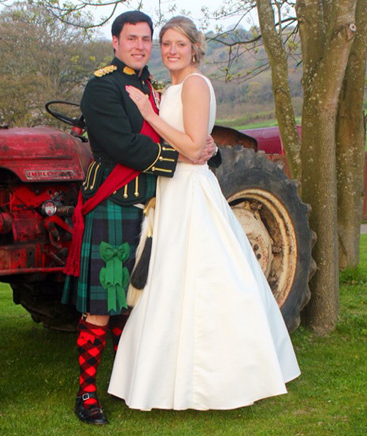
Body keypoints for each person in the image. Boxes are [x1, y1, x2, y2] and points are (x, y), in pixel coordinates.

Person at [108, 15, 300, 411]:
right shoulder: (172, 88)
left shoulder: (194, 85)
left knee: (202, 280)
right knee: (168, 283)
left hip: (190, 188)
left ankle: (222, 379)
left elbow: (195, 149)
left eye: (180, 43)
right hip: (170, 187)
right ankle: (165, 381)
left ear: (195, 48)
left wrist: (149, 114)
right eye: (166, 44)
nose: (172, 50)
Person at [61, 11, 219, 425]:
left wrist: (202, 145)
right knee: (104, 301)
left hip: (156, 207)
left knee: (141, 301)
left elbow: (178, 126)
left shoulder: (151, 84)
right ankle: (88, 395)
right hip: (114, 203)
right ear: (115, 42)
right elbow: (124, 146)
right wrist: (185, 156)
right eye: (131, 38)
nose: (140, 45)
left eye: (146, 38)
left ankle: (134, 380)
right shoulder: (102, 86)